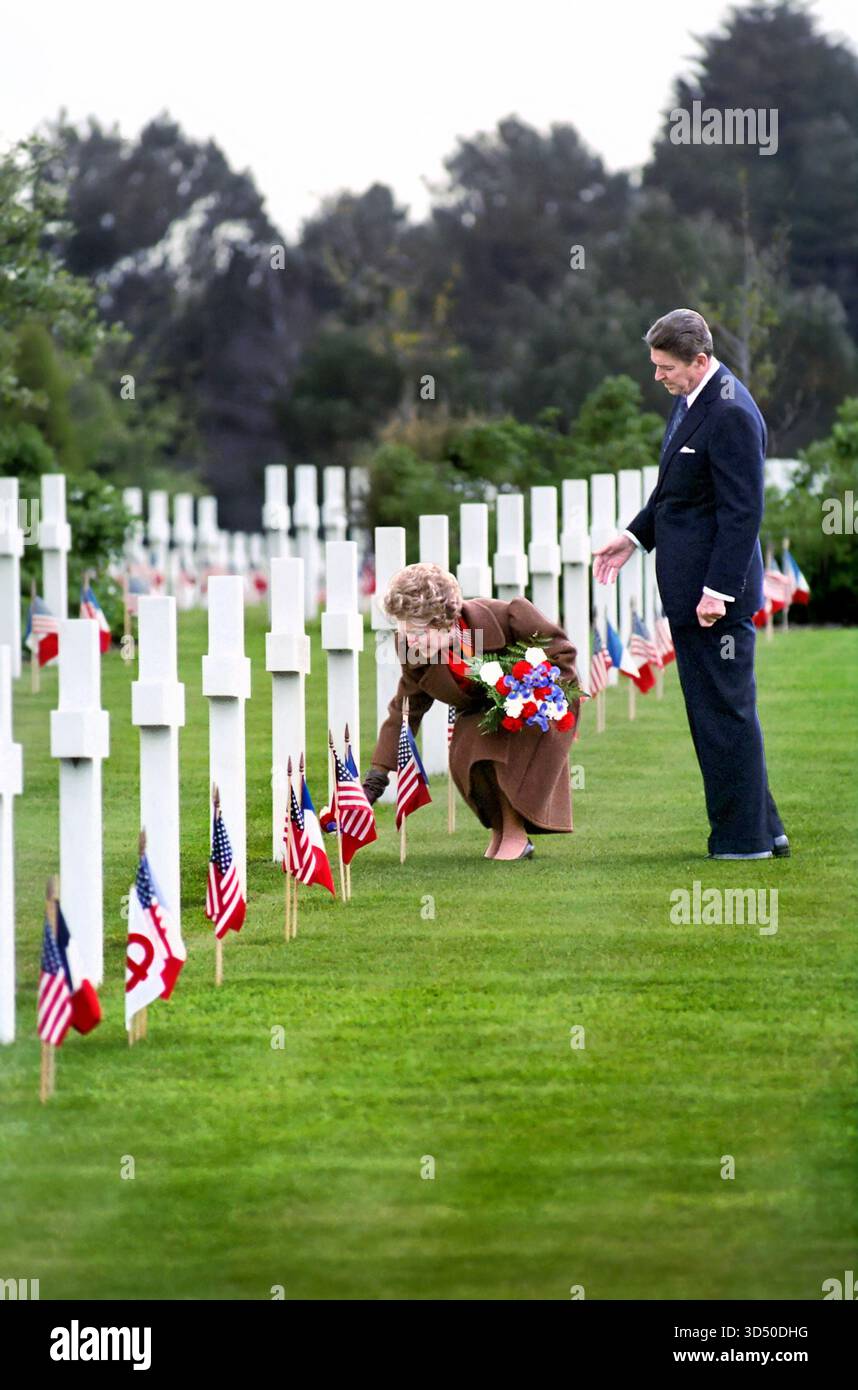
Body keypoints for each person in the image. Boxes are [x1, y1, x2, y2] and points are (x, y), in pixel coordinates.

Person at [593, 307, 789, 860]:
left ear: (699, 360)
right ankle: (765, 829)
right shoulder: (693, 400)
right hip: (690, 590)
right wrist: (632, 538)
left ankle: (742, 841)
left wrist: (718, 591)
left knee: (723, 714)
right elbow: (675, 491)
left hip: (712, 599)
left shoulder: (729, 413)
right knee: (717, 712)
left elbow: (741, 511)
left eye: (665, 367)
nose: (658, 376)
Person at [362, 563, 581, 861]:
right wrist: (375, 780)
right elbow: (404, 712)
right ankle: (501, 831)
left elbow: (561, 652)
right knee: (466, 754)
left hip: (539, 707)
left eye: (416, 632)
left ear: (444, 621)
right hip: (483, 715)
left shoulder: (508, 617)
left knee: (487, 746)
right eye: (402, 630)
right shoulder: (415, 653)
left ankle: (515, 833)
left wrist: (549, 700)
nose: (408, 640)